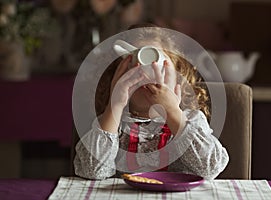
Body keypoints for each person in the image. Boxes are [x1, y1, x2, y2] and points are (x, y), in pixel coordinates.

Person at [74, 23, 229, 180]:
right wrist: (115, 105)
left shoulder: (191, 121)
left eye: (161, 68)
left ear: (178, 79)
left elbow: (211, 168)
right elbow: (92, 171)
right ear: (117, 78)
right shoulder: (112, 124)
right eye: (133, 70)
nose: (146, 75)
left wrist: (172, 112)